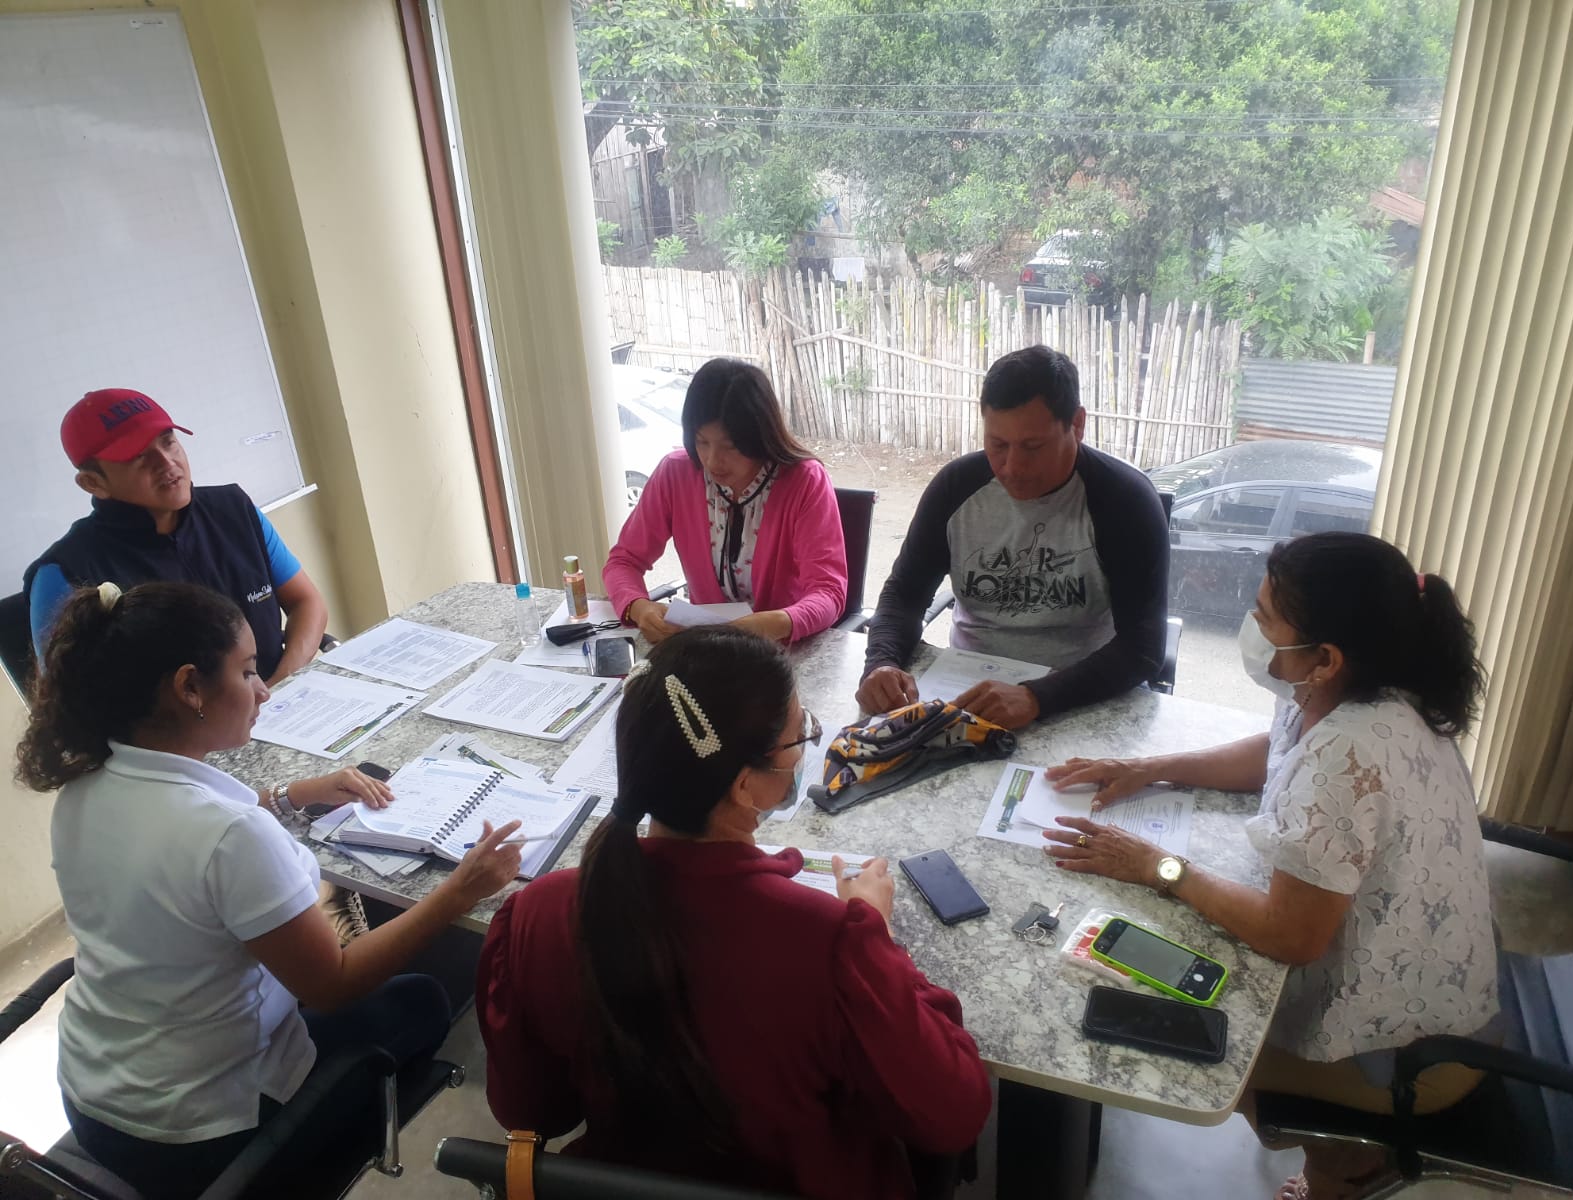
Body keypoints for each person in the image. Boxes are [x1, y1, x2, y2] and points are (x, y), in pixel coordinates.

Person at [16, 581, 524, 1200]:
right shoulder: (230, 836)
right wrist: (460, 891)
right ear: (189, 687)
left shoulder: (85, 789)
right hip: (201, 1133)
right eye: (248, 671)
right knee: (421, 999)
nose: (264, 690)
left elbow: (189, 828)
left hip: (95, 1099)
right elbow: (333, 984)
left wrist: (293, 794)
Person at [1040, 532, 1498, 1200]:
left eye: (1264, 618)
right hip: (1435, 994)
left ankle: (1346, 1171)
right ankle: (1341, 1163)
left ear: (1326, 657)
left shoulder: (1349, 752)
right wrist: (1150, 768)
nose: (1251, 628)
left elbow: (1291, 935)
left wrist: (1159, 867)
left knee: (1182, 1044)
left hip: (1410, 1056)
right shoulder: (1359, 689)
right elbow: (1276, 751)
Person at [477, 626, 991, 1197]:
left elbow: (531, 1110)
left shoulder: (542, 909)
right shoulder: (830, 941)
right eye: (800, 737)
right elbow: (954, 1112)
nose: (805, 749)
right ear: (745, 786)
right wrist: (882, 939)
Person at [856, 345, 1168, 731]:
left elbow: (1143, 646)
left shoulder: (1124, 500)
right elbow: (904, 594)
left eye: (1033, 447)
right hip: (967, 685)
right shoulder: (955, 488)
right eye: (998, 445)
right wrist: (882, 664)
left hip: (1081, 692)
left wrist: (1036, 696)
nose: (1012, 467)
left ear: (1077, 424)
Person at [25, 388, 329, 687]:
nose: (167, 463)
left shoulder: (234, 509)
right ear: (93, 483)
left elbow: (306, 602)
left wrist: (279, 685)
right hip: (183, 722)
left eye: (168, 442)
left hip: (279, 697)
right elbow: (70, 702)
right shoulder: (66, 573)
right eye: (138, 456)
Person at [603, 359, 847, 644]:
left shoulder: (804, 481)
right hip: (708, 648)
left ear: (760, 438)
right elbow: (623, 561)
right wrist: (639, 607)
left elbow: (828, 591)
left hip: (783, 648)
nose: (712, 461)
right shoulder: (676, 473)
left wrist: (777, 622)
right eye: (701, 442)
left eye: (730, 446)